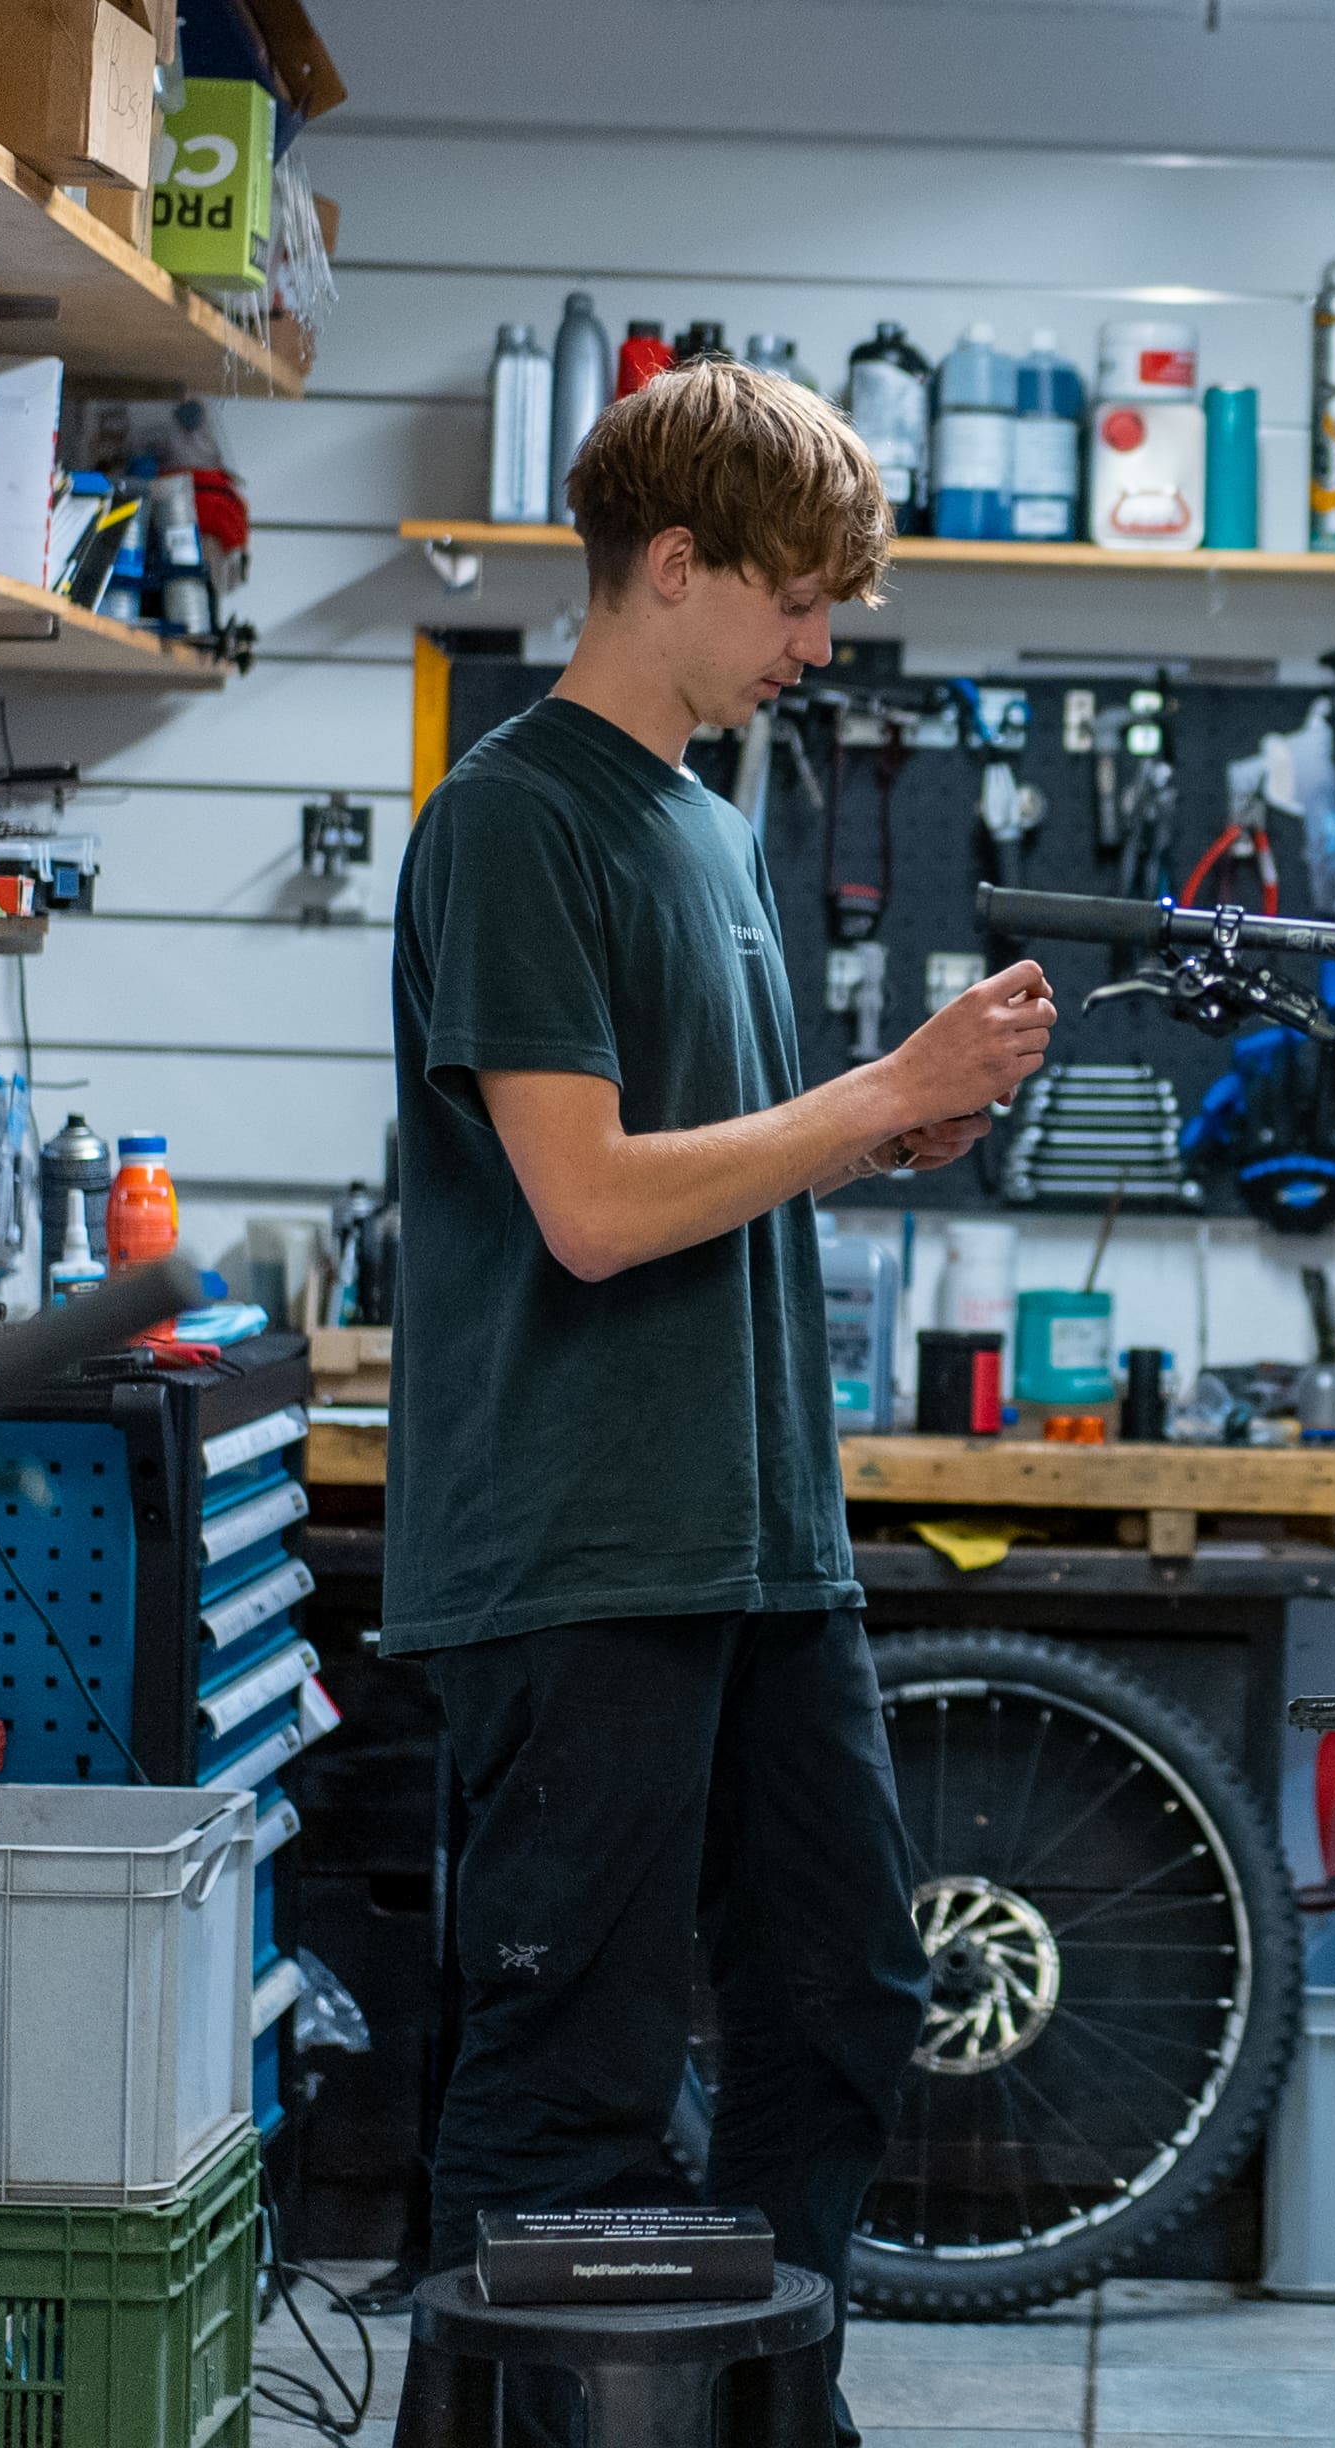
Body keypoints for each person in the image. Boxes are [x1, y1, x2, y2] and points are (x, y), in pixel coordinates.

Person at [384, 357, 1056, 2443]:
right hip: (581, 1548)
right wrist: (878, 1093)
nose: (816, 641)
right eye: (789, 597)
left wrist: (878, 1136)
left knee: (845, 1995)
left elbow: (709, 1148)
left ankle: (749, 2415)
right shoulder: (513, 823)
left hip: (758, 1531)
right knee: (569, 2075)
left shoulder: (703, 820)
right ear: (667, 566)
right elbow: (584, 1208)